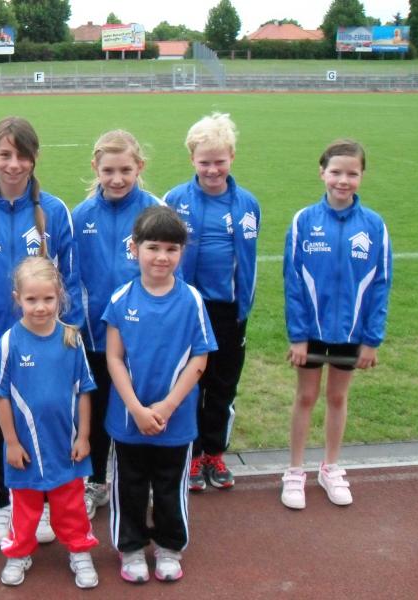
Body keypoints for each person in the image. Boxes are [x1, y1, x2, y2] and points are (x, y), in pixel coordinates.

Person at [0, 116, 83, 546]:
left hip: (48, 347)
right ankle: (4, 501)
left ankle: (44, 499)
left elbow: (72, 280)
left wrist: (70, 335)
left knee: (46, 422)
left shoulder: (55, 211)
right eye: (5, 154)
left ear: (35, 158)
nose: (14, 164)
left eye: (23, 155)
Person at [103, 206, 217, 583]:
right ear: (134, 248)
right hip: (129, 420)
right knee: (129, 487)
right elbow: (114, 358)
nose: (162, 257)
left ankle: (169, 547)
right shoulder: (121, 299)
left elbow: (200, 358)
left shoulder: (192, 300)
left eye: (171, 249)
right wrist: (136, 409)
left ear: (182, 252)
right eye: (153, 247)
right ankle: (131, 548)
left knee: (170, 487)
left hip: (176, 420)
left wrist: (168, 406)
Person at [281, 139, 392, 510]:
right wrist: (298, 336)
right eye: (336, 172)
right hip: (310, 332)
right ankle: (295, 470)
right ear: (322, 173)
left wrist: (371, 340)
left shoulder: (374, 225)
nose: (343, 180)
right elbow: (293, 282)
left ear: (362, 176)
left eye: (352, 173)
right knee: (306, 397)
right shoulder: (304, 221)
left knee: (338, 397)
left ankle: (330, 467)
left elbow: (381, 283)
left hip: (352, 332)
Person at [163, 112, 260, 491]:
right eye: (204, 162)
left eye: (220, 161)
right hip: (187, 311)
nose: (213, 169)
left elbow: (247, 261)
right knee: (188, 385)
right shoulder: (175, 200)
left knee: (222, 386)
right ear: (192, 159)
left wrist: (243, 304)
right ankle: (190, 454)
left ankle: (214, 453)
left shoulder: (248, 204)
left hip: (228, 312)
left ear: (232, 157)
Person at [71, 129, 163, 519]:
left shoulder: (155, 212)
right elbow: (71, 276)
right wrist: (74, 324)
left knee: (138, 407)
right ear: (96, 168)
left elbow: (170, 275)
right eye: (108, 170)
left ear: (140, 166)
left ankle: (139, 481)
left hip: (141, 338)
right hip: (93, 336)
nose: (117, 178)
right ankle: (95, 483)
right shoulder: (80, 215)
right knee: (93, 411)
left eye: (126, 169)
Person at [0, 257, 99, 588]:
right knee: (24, 507)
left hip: (65, 445)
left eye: (48, 299)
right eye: (31, 299)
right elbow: (1, 397)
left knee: (71, 506)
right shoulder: (9, 342)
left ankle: (80, 551)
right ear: (17, 299)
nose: (40, 307)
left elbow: (84, 391)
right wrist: (11, 442)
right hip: (26, 447)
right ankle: (18, 552)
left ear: (59, 297)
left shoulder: (72, 339)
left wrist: (83, 436)